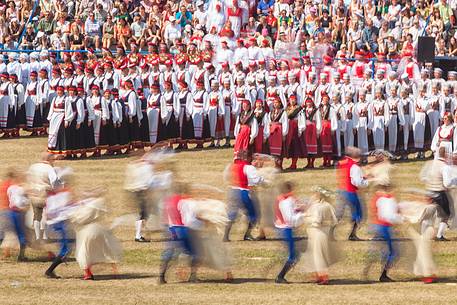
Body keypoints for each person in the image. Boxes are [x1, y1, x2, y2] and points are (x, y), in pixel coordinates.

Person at [223, 150, 264, 242]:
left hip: (232, 191)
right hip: (243, 192)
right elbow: (256, 180)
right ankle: (247, 234)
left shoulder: (231, 166)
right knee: (254, 214)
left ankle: (225, 236)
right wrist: (265, 180)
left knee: (231, 214)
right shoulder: (249, 168)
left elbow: (226, 177)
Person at [300, 186, 338, 285]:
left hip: (316, 232)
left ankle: (323, 277)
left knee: (318, 255)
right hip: (324, 232)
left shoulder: (317, 207)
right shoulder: (328, 205)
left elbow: (316, 221)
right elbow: (334, 220)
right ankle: (319, 275)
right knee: (320, 254)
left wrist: (306, 218)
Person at [274, 181, 305, 283]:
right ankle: (280, 276)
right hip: (285, 229)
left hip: (284, 228)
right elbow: (290, 219)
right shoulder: (285, 201)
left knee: (294, 254)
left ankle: (281, 275)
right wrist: (303, 214)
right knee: (293, 256)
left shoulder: (284, 199)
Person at [335, 147, 369, 241]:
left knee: (338, 214)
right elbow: (356, 182)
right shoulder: (355, 166)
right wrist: (366, 181)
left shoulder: (342, 162)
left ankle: (329, 233)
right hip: (350, 192)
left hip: (341, 190)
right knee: (358, 214)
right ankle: (353, 234)